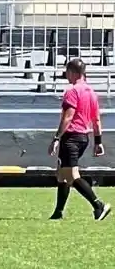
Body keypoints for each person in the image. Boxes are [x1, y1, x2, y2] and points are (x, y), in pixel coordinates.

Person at [49, 58, 111, 221]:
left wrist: (56, 138)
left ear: (72, 72)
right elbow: (96, 120)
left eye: (67, 72)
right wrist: (98, 141)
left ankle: (98, 205)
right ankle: (58, 212)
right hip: (83, 137)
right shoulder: (91, 93)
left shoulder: (72, 91)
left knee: (71, 175)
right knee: (61, 175)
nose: (66, 76)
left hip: (71, 137)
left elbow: (68, 117)